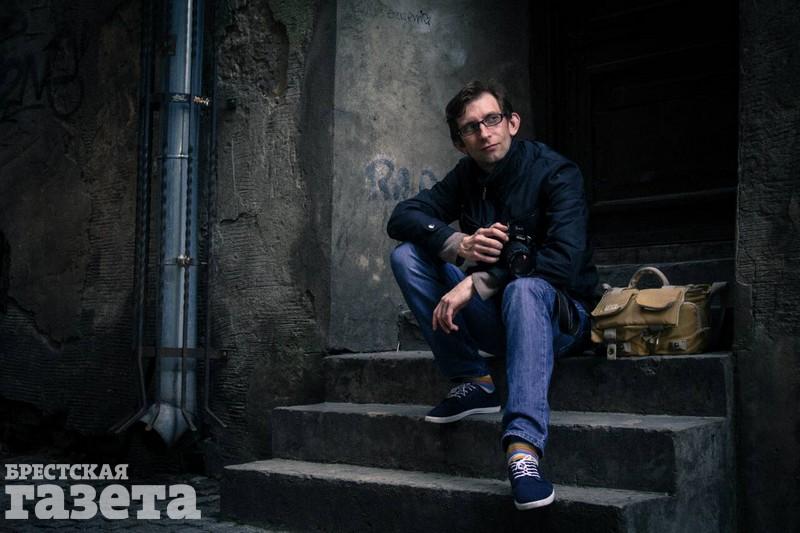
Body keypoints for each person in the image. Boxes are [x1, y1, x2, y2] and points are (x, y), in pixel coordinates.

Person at [386, 80, 598, 510]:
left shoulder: (556, 172)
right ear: (459, 142)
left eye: (492, 120)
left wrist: (479, 281)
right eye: (471, 128)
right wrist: (457, 243)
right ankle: (474, 380)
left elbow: (565, 260)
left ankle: (523, 452)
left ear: (512, 123)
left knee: (525, 288)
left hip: (562, 320)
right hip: (499, 319)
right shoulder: (467, 176)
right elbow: (402, 216)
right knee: (407, 255)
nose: (484, 133)